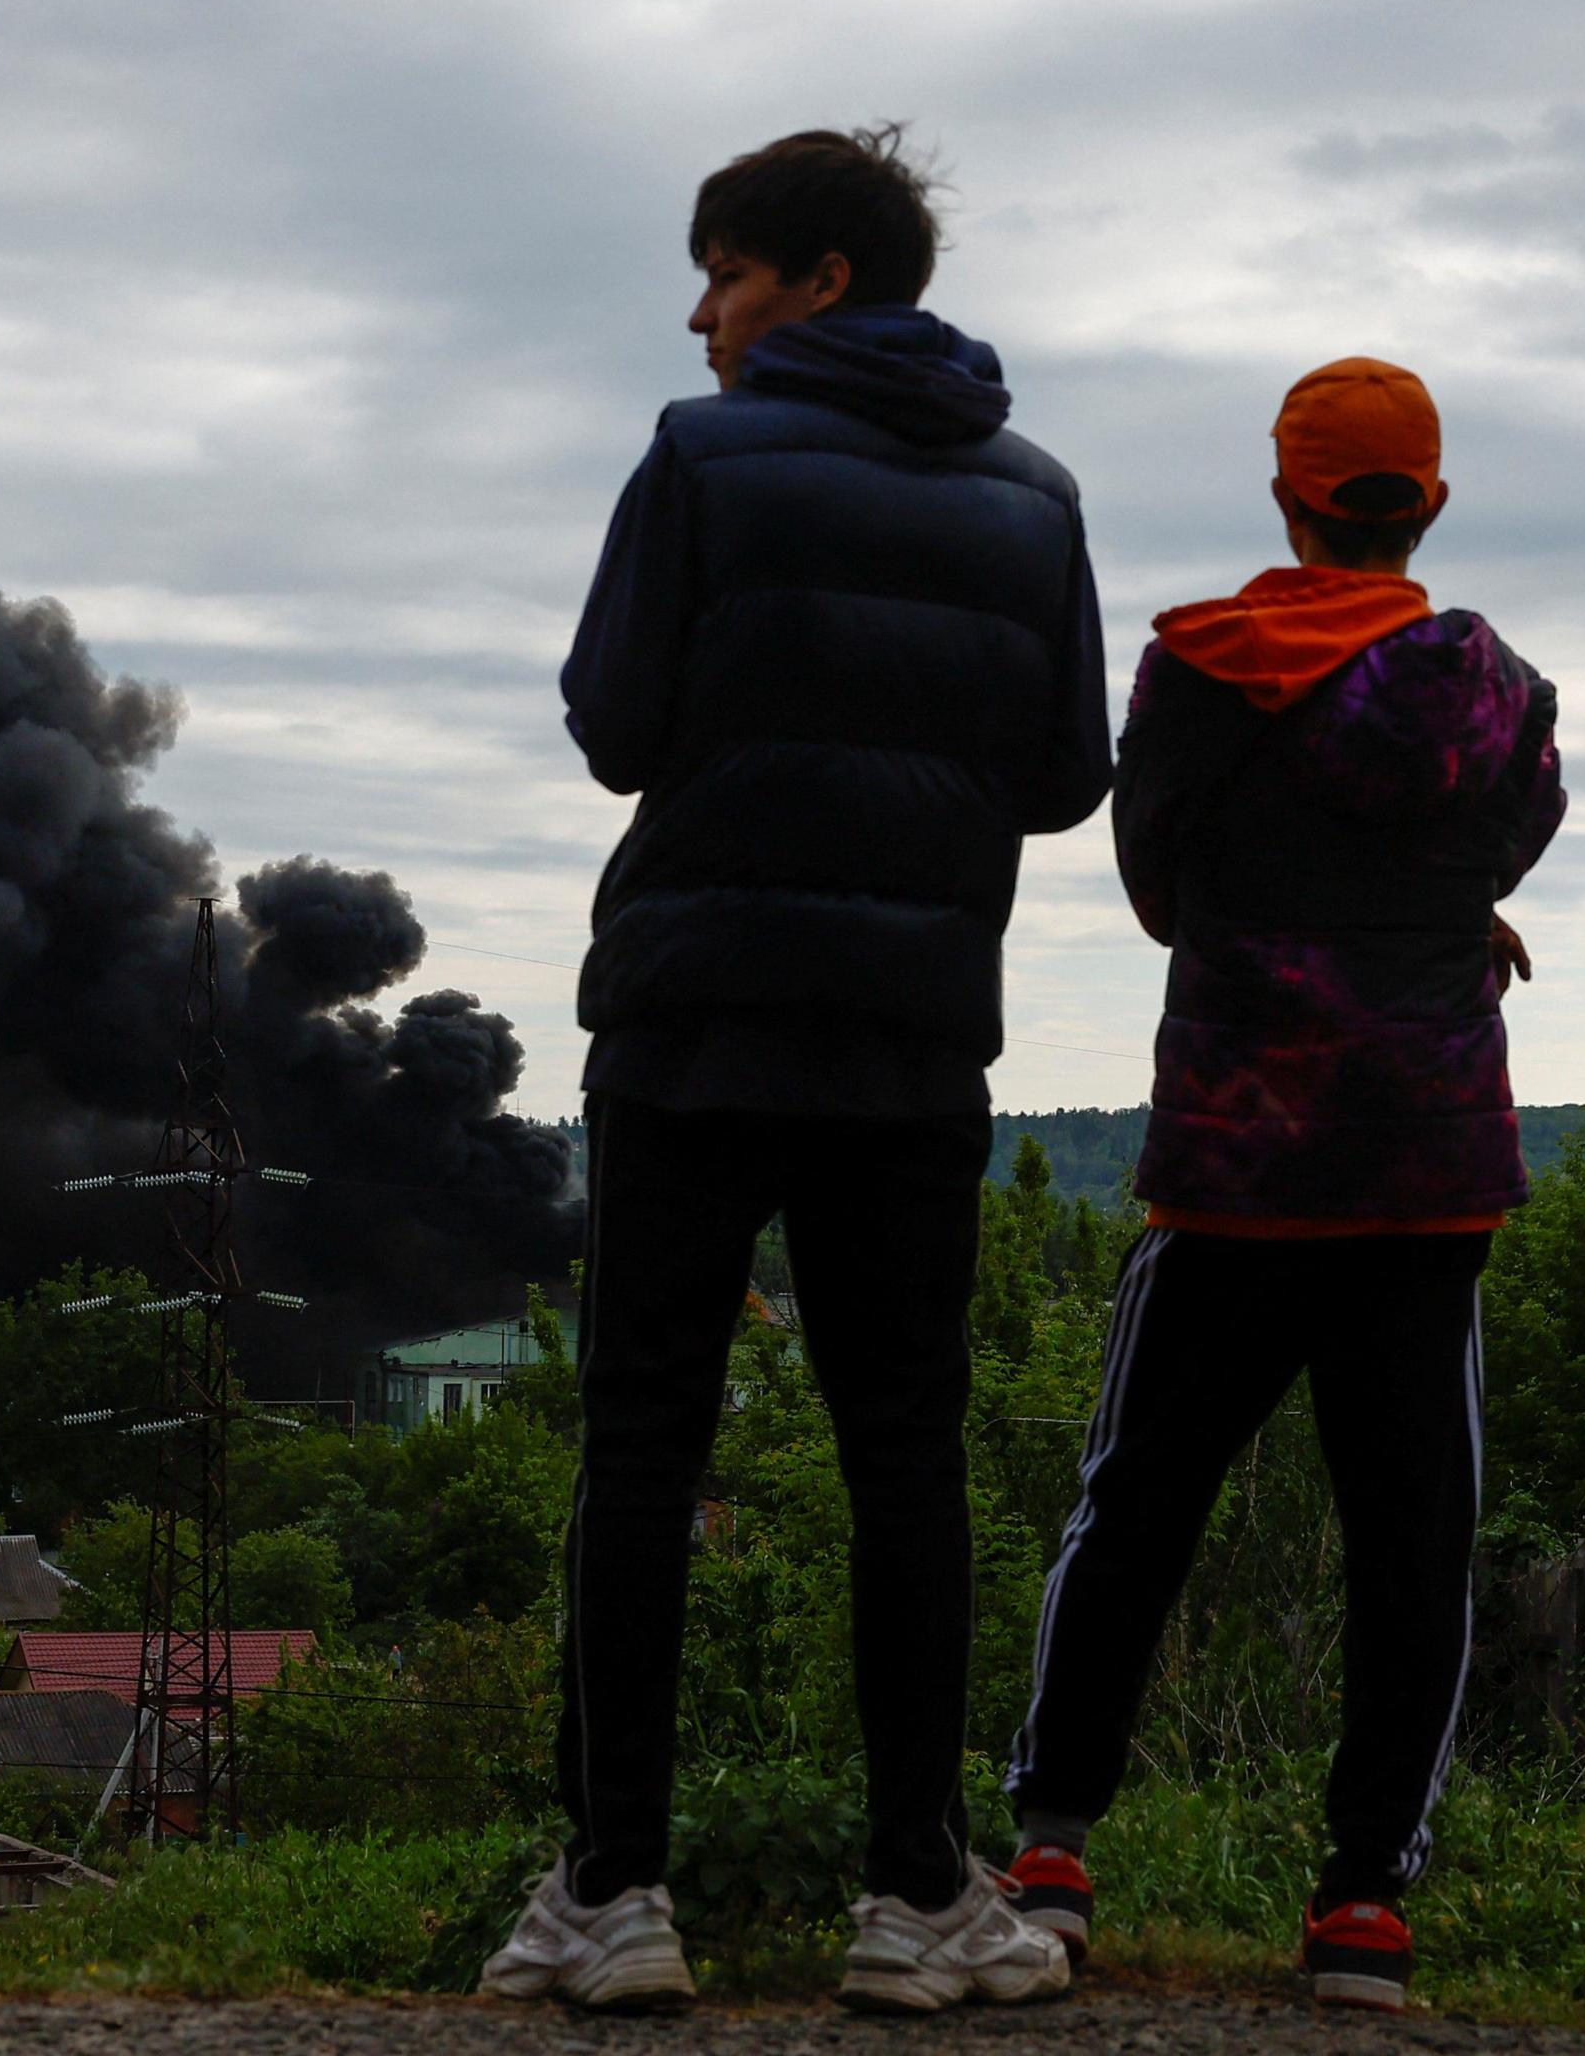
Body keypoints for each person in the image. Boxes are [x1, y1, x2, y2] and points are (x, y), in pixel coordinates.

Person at [484, 126, 1108, 2016]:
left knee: (644, 1437)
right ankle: (917, 1895)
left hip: (691, 1021)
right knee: (905, 1450)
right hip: (913, 1035)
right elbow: (1070, 772)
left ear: (822, 278)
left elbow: (611, 726)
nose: (703, 315)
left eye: (725, 273)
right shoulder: (1034, 493)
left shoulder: (699, 459)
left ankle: (617, 1892)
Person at [1000, 357, 1563, 2013]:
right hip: (1423, 1167)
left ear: (1285, 496)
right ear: (1431, 505)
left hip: (1237, 1163)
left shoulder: (1191, 668)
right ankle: (1363, 1906)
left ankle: (1051, 1852)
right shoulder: (1493, 689)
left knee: (1137, 1504)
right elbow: (1499, 846)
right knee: (1416, 1540)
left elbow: (1161, 881)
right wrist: (1430, 924)